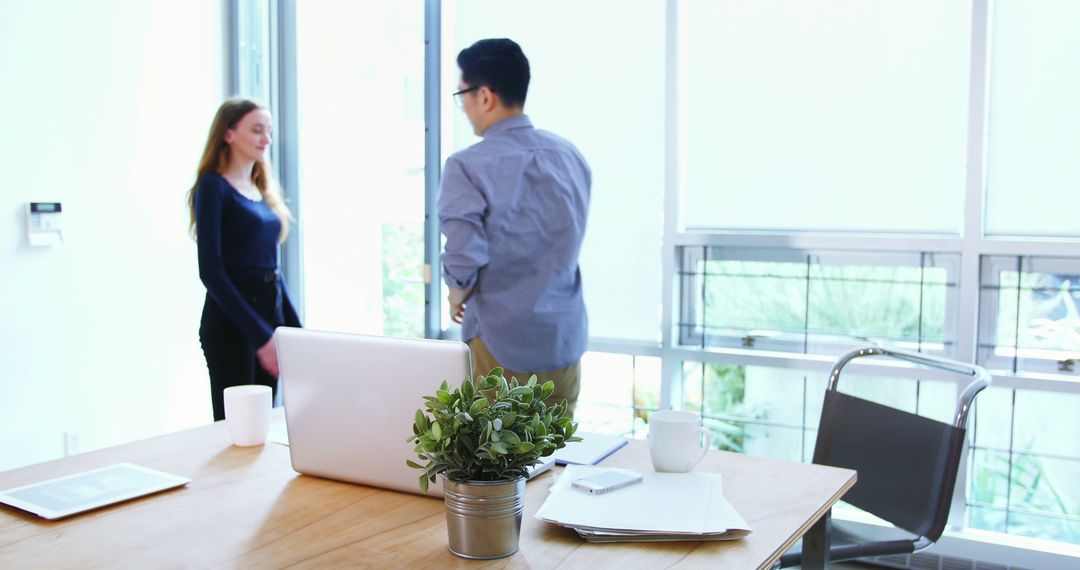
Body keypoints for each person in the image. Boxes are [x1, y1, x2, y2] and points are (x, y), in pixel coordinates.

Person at [439, 38, 591, 417]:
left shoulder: (467, 166)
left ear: (485, 96)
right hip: (563, 340)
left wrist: (457, 293)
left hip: (500, 342)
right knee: (554, 462)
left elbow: (463, 253)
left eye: (463, 95)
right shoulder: (571, 156)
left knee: (496, 467)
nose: (465, 108)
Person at [187, 97, 300, 422]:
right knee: (237, 429)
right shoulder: (213, 187)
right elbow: (211, 272)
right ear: (228, 133)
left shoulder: (261, 191)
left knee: (267, 426)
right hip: (232, 324)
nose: (267, 138)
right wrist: (260, 337)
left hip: (269, 317)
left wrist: (295, 331)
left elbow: (273, 272)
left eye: (269, 131)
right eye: (256, 130)